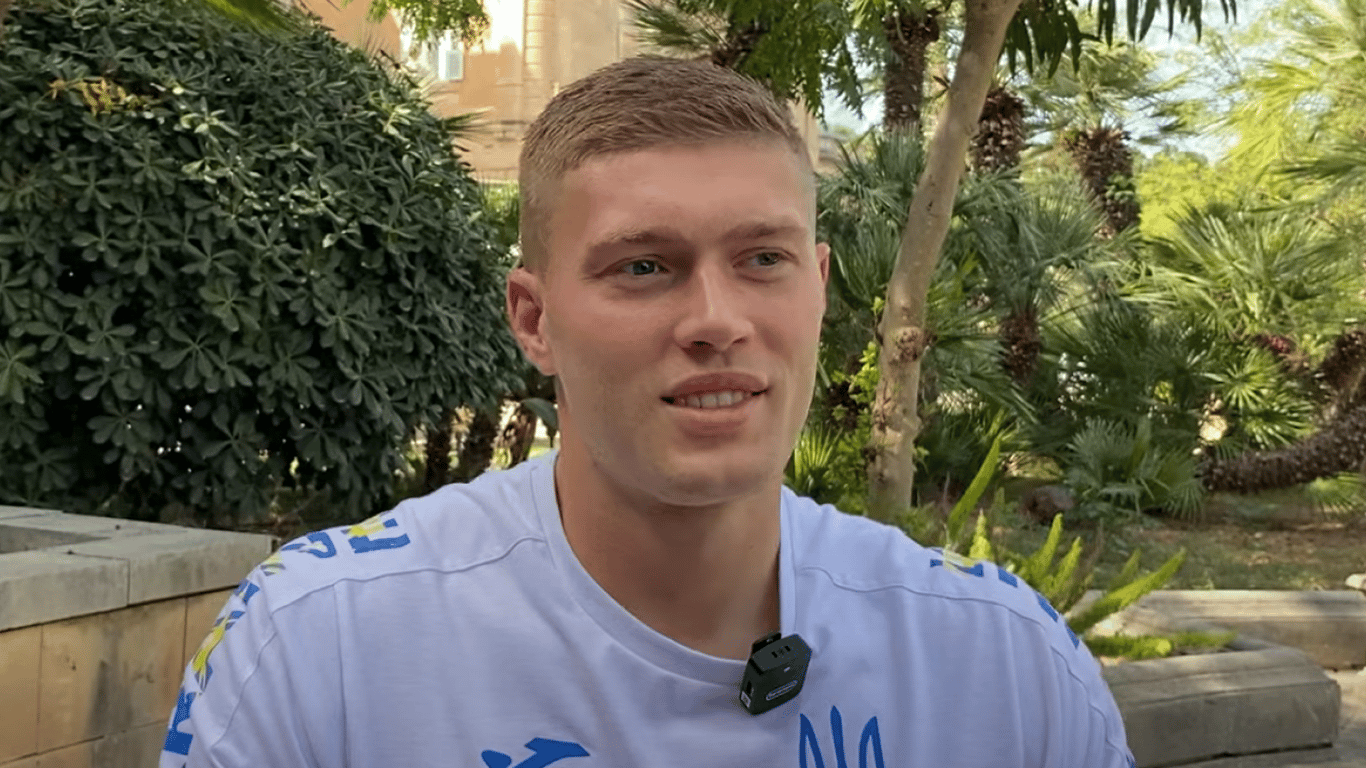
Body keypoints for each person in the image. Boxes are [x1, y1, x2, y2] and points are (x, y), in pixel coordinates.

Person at [160, 56, 1136, 767]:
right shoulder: (318, 646)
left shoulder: (1002, 665)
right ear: (534, 319)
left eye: (762, 259)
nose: (716, 320)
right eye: (643, 267)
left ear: (818, 286)